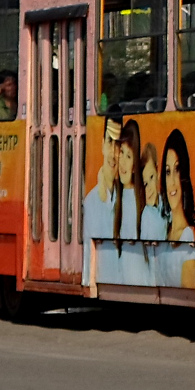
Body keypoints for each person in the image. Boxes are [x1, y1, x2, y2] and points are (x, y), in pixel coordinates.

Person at [155, 128, 195, 289]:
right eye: (167, 172)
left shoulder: (187, 237)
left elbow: (188, 291)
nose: (172, 181)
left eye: (177, 169)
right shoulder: (163, 230)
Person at [82, 117, 121, 283]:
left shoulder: (130, 198)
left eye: (118, 144)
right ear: (102, 144)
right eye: (109, 142)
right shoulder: (90, 202)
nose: (113, 152)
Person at [140, 142, 167, 240]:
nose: (149, 188)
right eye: (145, 184)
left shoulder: (166, 204)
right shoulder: (146, 217)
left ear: (158, 173)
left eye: (151, 177)